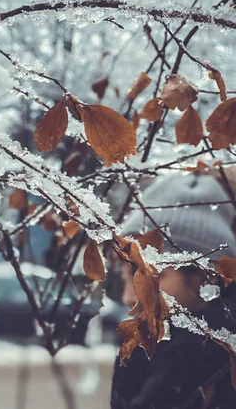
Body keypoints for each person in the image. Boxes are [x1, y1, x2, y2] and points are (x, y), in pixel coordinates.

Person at [111, 172, 236, 409]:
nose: (128, 298)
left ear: (205, 275)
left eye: (150, 276)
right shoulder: (149, 351)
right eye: (126, 275)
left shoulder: (210, 366)